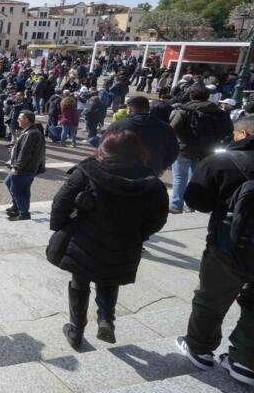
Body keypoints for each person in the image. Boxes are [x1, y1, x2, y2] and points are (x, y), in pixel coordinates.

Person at [49, 130, 168, 350]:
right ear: (138, 151)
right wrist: (140, 234)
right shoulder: (151, 181)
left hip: (84, 239)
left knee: (79, 282)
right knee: (109, 278)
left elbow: (61, 202)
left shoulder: (88, 170)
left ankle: (76, 330)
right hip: (124, 241)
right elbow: (159, 217)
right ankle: (106, 319)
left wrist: (59, 226)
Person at [177, 117, 254, 383]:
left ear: (242, 134)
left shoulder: (224, 160)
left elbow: (196, 199)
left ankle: (199, 347)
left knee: (211, 298)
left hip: (230, 245)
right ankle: (245, 359)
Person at [169, 85, 233, 213]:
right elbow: (229, 131)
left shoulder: (184, 110)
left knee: (179, 177)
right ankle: (191, 204)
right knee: (197, 177)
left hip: (184, 149)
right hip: (207, 150)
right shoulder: (219, 112)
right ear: (208, 96)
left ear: (191, 96)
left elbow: (172, 129)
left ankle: (176, 205)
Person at [105, 96, 178, 175]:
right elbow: (174, 149)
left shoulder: (118, 125)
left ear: (129, 109)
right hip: (152, 170)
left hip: (122, 170)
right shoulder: (166, 128)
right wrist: (164, 166)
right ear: (148, 109)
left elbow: (104, 146)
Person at [5, 111, 46, 221]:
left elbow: (25, 153)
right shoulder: (30, 131)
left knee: (17, 190)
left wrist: (17, 167)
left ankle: (23, 213)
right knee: (9, 182)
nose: (17, 120)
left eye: (19, 118)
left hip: (25, 168)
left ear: (26, 120)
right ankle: (17, 207)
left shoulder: (31, 133)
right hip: (28, 167)